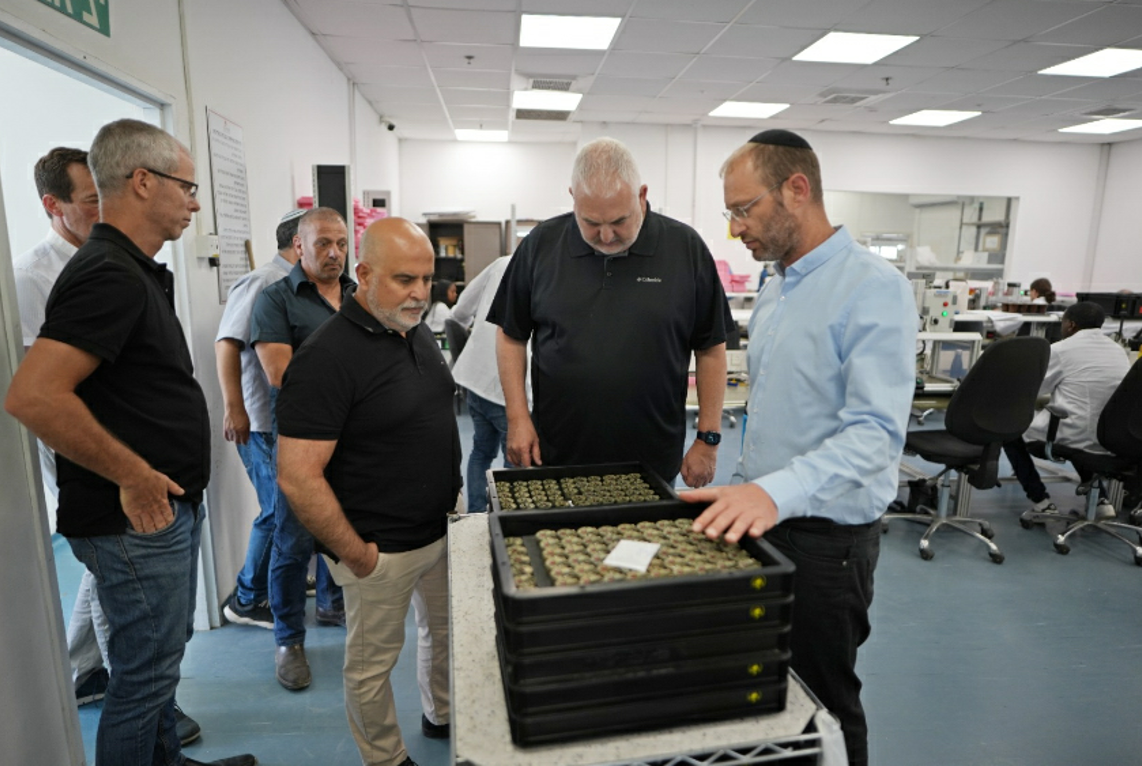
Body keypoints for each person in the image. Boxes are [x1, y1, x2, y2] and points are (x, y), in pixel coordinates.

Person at [4, 118, 254, 766]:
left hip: (161, 507)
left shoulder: (131, 268)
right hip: (135, 517)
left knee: (159, 665)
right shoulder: (107, 273)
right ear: (143, 181)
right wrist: (134, 475)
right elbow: (33, 395)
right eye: (186, 187)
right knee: (143, 678)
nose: (194, 203)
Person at [683, 129, 917, 766]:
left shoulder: (873, 288)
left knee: (825, 707)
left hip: (826, 543)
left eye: (743, 209)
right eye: (730, 212)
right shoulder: (776, 286)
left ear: (796, 189)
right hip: (769, 521)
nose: (735, 228)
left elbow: (874, 436)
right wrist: (746, 488)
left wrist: (770, 491)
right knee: (769, 691)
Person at [277, 217, 456, 766]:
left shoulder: (411, 328)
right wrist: (357, 555)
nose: (420, 293)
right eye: (405, 279)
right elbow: (297, 475)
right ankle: (386, 758)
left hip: (439, 530)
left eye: (426, 279)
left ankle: (442, 714)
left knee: (444, 636)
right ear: (366, 274)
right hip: (379, 548)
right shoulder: (326, 357)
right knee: (372, 666)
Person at [489, 137, 730, 487]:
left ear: (642, 196)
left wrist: (708, 439)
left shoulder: (685, 248)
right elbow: (510, 335)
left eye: (619, 221)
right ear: (573, 198)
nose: (605, 236)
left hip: (652, 457)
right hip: (557, 452)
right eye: (590, 222)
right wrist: (517, 417)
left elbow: (711, 347)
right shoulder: (541, 245)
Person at [13, 147, 107, 702]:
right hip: (75, 435)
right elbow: (38, 383)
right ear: (54, 205)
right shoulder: (31, 276)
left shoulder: (107, 259)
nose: (105, 209)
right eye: (92, 200)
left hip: (117, 426)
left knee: (109, 554)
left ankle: (84, 669)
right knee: (107, 550)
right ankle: (96, 671)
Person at [249, 206, 351, 691]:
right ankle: (288, 640)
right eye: (323, 243)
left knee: (345, 529)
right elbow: (279, 374)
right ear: (299, 247)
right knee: (292, 544)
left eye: (341, 244)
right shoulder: (275, 299)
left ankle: (334, 605)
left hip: (354, 440)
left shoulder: (358, 296)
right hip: (301, 444)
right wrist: (355, 382)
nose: (334, 253)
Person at [215, 208, 305, 629]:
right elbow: (226, 344)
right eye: (324, 241)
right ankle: (247, 598)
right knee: (275, 511)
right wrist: (235, 408)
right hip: (261, 422)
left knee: (291, 510)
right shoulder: (263, 281)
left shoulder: (300, 284)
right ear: (299, 242)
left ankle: (276, 583)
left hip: (289, 420)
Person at [1003, 301, 1132, 519]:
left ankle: (1040, 501)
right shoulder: (1118, 351)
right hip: (1111, 438)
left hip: (1075, 435)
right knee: (1082, 437)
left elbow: (1033, 389)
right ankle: (1101, 500)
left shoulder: (1060, 350)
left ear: (1071, 324)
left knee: (1008, 429)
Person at [450, 255, 519, 512]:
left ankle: (476, 514)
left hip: (475, 378)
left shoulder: (501, 263)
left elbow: (459, 313)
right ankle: (507, 521)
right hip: (508, 388)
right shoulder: (549, 270)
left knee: (481, 451)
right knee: (515, 460)